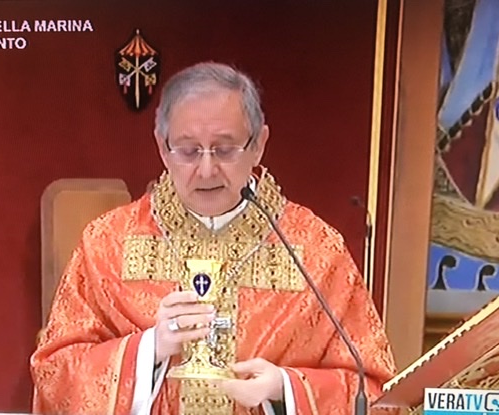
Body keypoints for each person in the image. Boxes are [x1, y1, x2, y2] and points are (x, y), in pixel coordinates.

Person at [30, 62, 396, 415]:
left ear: (258, 144)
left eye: (224, 149)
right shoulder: (107, 244)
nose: (206, 170)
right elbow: (54, 375)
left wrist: (285, 390)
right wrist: (149, 350)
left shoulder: (316, 250)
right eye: (189, 151)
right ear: (162, 147)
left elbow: (376, 392)